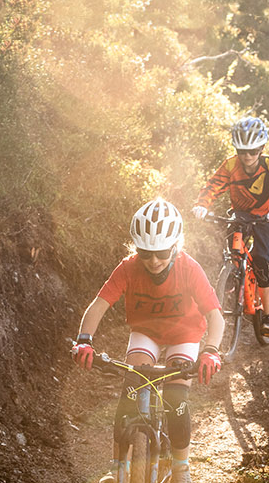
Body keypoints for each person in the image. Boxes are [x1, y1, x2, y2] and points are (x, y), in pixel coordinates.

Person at [71, 198, 225, 483]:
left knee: (176, 398)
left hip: (185, 333)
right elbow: (99, 305)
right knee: (131, 388)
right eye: (145, 252)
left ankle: (181, 468)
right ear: (136, 249)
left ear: (176, 246)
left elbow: (216, 317)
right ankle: (117, 467)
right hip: (147, 332)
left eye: (162, 252)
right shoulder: (128, 268)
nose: (154, 260)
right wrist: (84, 340)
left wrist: (211, 351)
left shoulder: (189, 268)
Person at [191, 116, 269, 338]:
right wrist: (201, 205)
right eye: (242, 151)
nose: (247, 156)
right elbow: (212, 187)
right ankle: (233, 277)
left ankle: (268, 316)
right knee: (231, 249)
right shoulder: (230, 165)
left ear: (261, 148)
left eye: (253, 151)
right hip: (241, 214)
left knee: (260, 261)